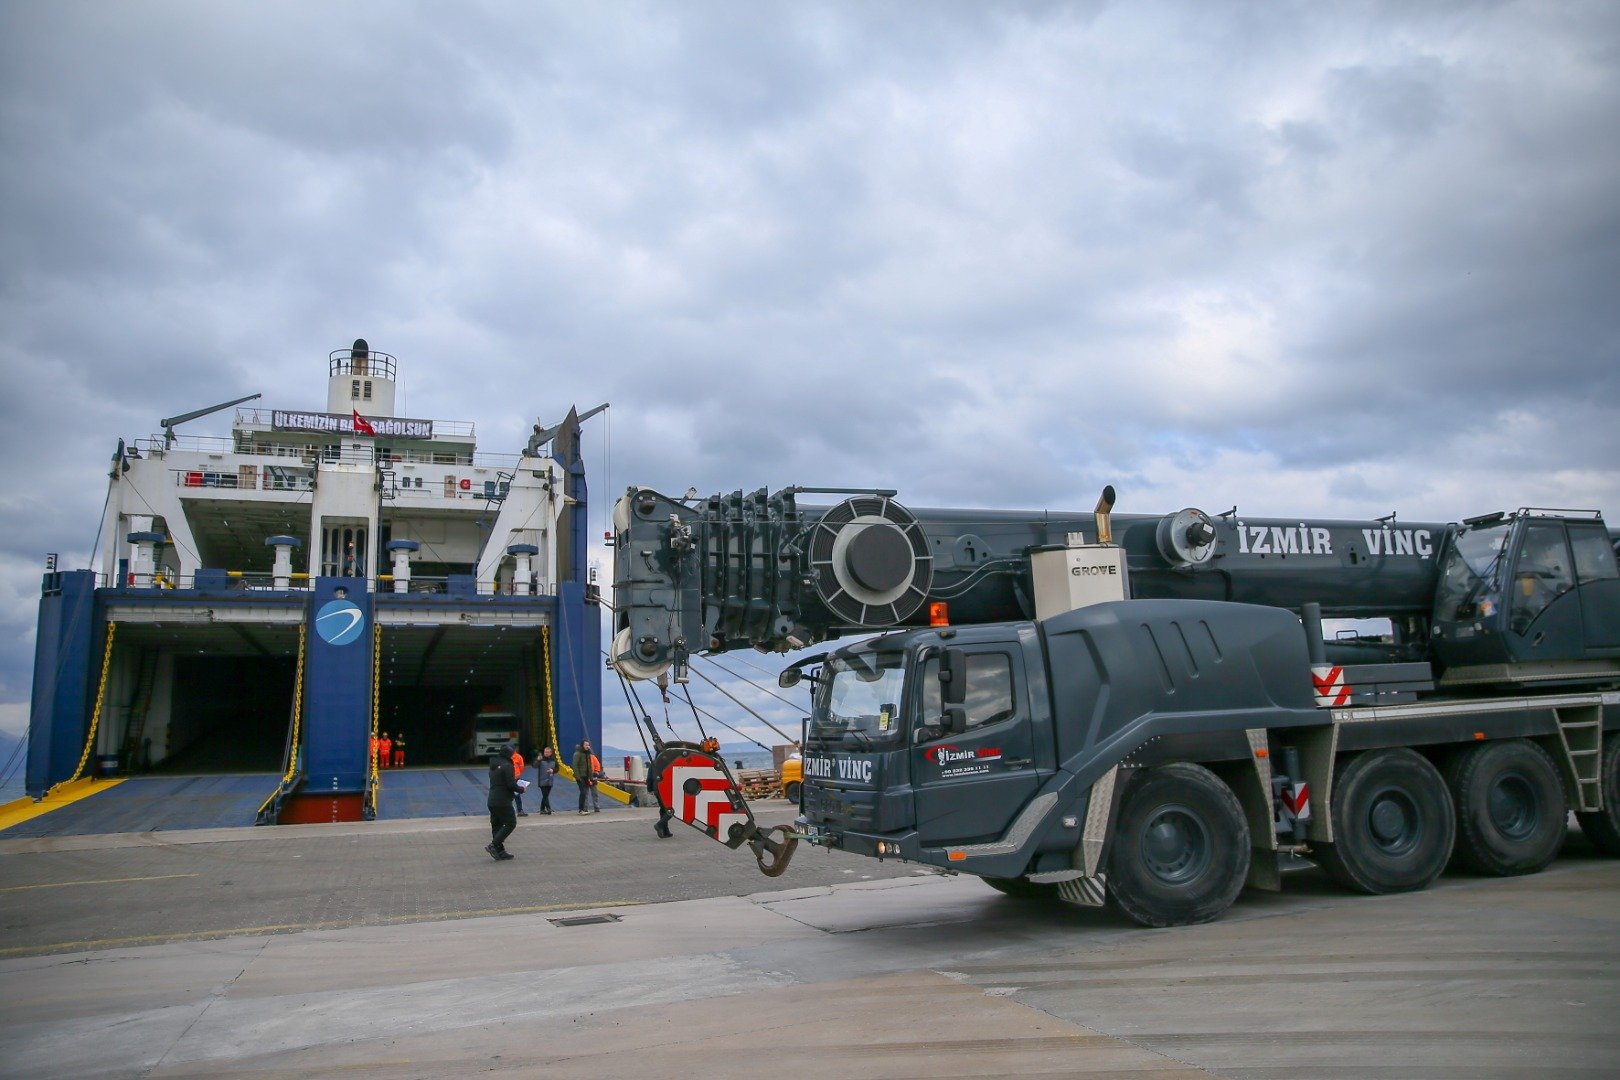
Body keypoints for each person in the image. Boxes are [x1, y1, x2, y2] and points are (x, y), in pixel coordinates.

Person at [485, 750, 519, 860]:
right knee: (511, 823)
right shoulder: (507, 766)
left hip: (492, 800)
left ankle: (500, 851)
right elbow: (511, 784)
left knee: (496, 825)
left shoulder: (493, 766)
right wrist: (522, 789)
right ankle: (494, 845)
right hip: (503, 800)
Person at [572, 739, 595, 815]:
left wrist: (591, 777)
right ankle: (581, 809)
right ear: (582, 745)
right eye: (586, 745)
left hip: (586, 776)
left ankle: (583, 809)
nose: (588, 746)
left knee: (584, 793)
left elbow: (589, 767)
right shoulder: (577, 754)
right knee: (583, 792)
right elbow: (575, 766)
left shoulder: (587, 754)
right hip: (580, 776)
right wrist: (578, 777)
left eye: (588, 745)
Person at [535, 746, 558, 814]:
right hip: (542, 780)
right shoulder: (541, 759)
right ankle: (548, 808)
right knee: (545, 795)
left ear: (551, 753)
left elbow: (557, 769)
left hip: (550, 780)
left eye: (548, 752)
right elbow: (534, 765)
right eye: (545, 752)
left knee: (546, 795)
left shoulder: (554, 760)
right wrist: (538, 760)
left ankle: (542, 809)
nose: (546, 753)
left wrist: (552, 770)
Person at [510, 745, 528, 816]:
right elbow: (521, 767)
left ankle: (519, 810)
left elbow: (521, 767)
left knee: (516, 795)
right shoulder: (515, 757)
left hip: (515, 778)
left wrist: (517, 774)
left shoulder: (518, 757)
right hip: (511, 778)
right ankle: (518, 810)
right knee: (514, 795)